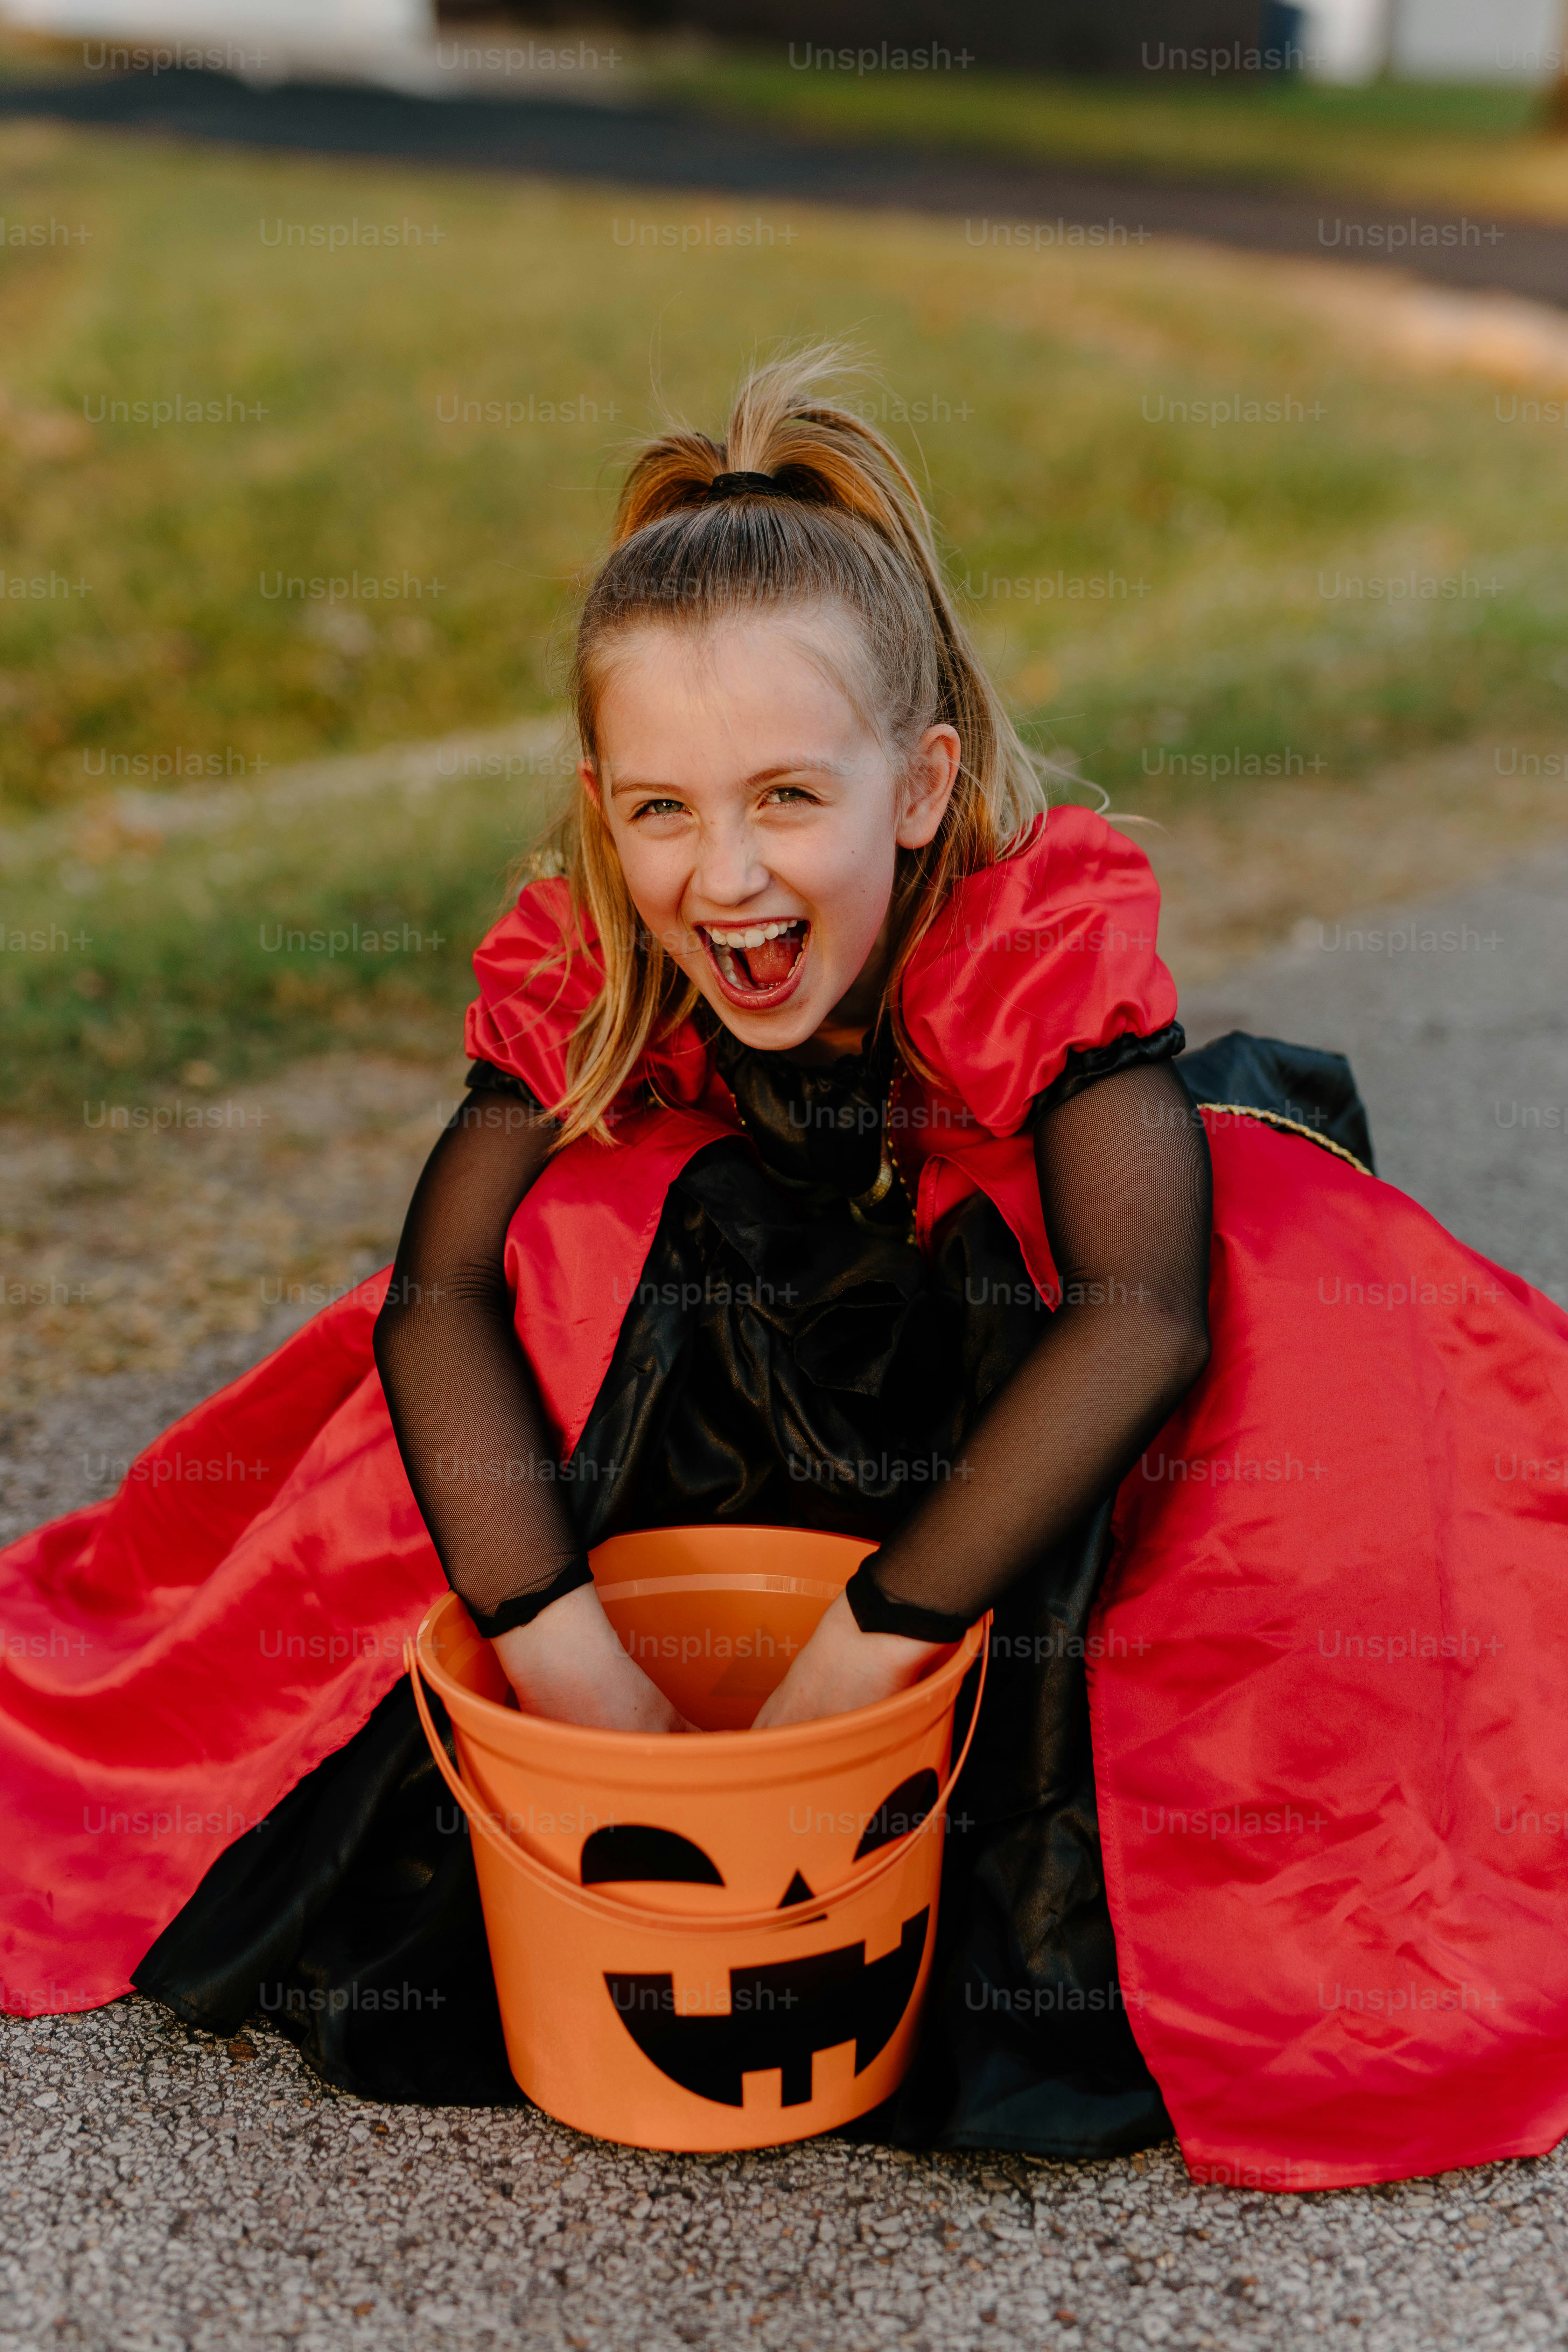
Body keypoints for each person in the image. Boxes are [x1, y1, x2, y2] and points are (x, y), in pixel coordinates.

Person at [4, 353, 1566, 2192]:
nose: (725, 876)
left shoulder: (1029, 936)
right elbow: (439, 1301)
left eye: (783, 800)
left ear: (920, 787)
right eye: (662, 810)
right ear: (603, 808)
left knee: (1288, 1272)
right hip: (747, 1362)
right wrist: (555, 1646)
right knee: (581, 1234)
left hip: (1005, 1365)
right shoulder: (596, 956)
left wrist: (877, 1640)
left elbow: (1140, 1316)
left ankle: (1093, 1838)